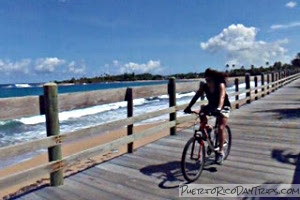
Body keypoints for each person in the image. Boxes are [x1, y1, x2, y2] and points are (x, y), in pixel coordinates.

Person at [184, 68, 231, 164]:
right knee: (202, 110)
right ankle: (207, 128)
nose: (207, 82)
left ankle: (221, 152)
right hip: (212, 106)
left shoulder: (220, 85)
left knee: (221, 128)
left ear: (214, 79)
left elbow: (222, 97)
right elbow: (196, 96)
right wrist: (188, 107)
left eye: (209, 80)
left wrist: (219, 108)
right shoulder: (205, 87)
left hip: (224, 106)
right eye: (206, 80)